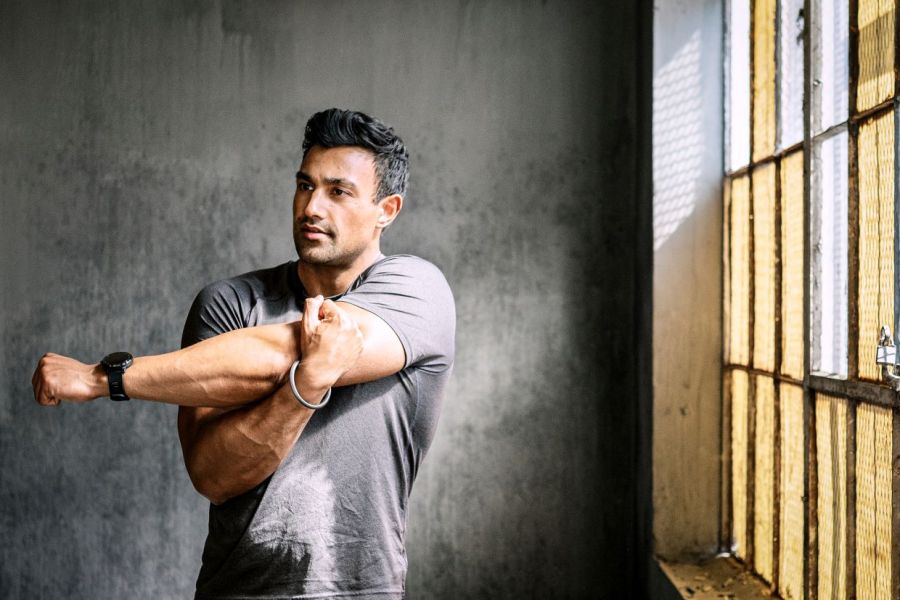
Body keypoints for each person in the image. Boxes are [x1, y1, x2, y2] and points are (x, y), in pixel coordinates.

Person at [31, 108, 456, 599]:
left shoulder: (416, 290)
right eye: (304, 186)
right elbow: (214, 475)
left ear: (388, 209)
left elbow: (280, 349)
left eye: (338, 191)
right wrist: (307, 386)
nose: (312, 207)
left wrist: (105, 378)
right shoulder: (230, 303)